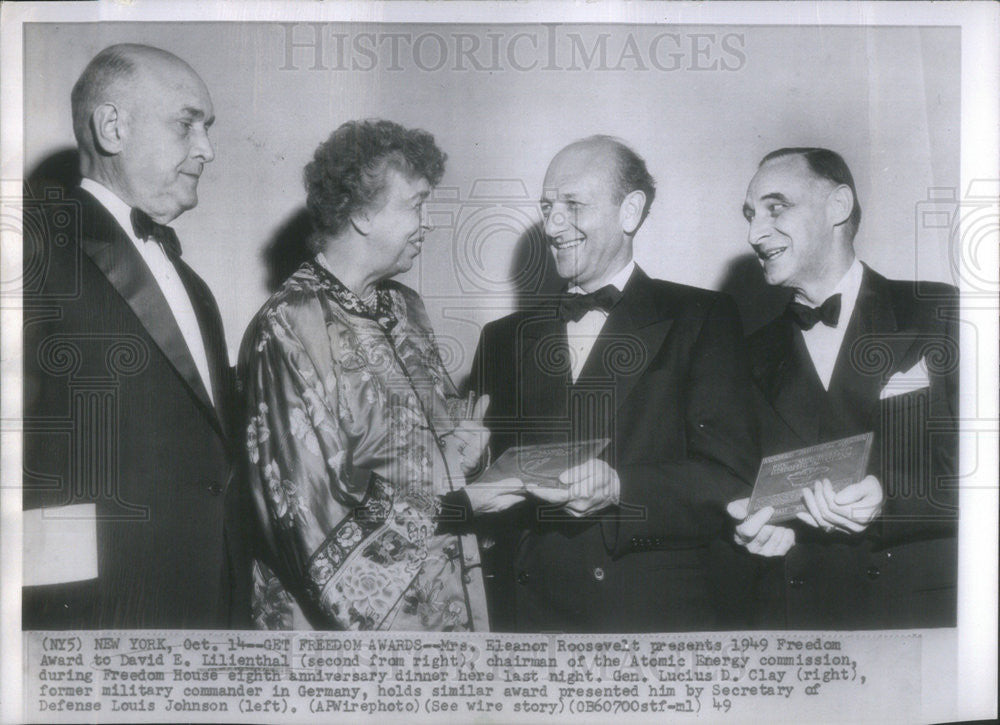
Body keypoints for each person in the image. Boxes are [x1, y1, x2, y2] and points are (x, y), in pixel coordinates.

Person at [469, 136, 759, 632]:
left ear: (630, 212)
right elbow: (484, 489)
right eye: (547, 206)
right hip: (527, 616)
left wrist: (622, 486)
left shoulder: (701, 317)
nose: (553, 224)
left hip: (647, 616)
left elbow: (732, 476)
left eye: (573, 205)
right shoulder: (501, 338)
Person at [240, 119, 519, 631]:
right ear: (364, 214)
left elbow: (419, 448)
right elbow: (306, 509)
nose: (428, 221)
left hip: (444, 597)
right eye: (415, 204)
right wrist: (456, 506)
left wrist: (464, 448)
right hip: (351, 637)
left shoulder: (403, 307)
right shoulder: (289, 324)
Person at [22, 44, 251, 628]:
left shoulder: (194, 286)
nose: (207, 149)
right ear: (113, 127)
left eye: (208, 129)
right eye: (187, 124)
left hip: (211, 607)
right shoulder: (28, 247)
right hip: (93, 616)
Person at [730, 147, 959, 628]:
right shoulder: (746, 353)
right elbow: (745, 486)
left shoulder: (939, 312)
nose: (754, 234)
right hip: (800, 616)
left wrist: (890, 499)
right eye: (751, 216)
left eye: (776, 208)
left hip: (915, 611)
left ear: (838, 206)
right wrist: (759, 529)